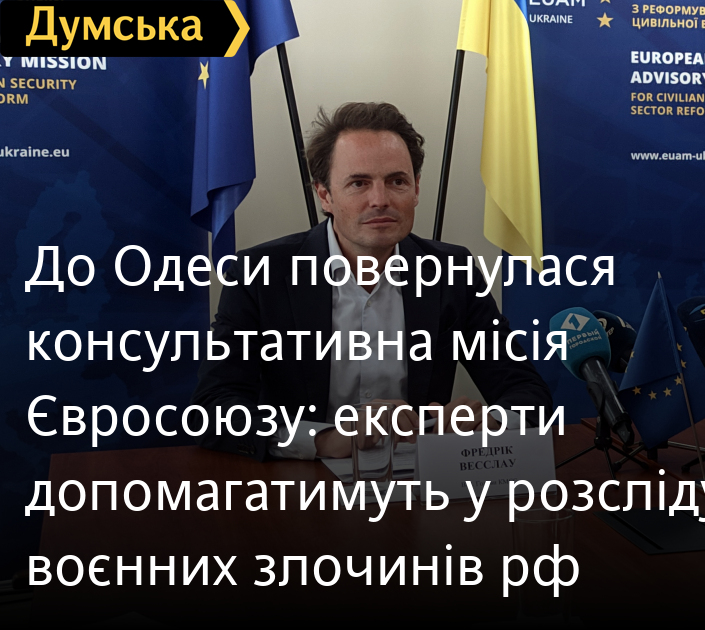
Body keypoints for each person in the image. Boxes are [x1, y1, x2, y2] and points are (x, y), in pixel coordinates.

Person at [191, 102, 553, 460]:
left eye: (397, 181)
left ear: (416, 189)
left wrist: (489, 421)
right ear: (325, 195)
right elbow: (213, 409)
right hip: (302, 480)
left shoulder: (452, 270)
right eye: (359, 183)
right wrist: (324, 439)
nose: (380, 200)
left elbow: (527, 392)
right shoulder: (259, 273)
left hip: (418, 480)